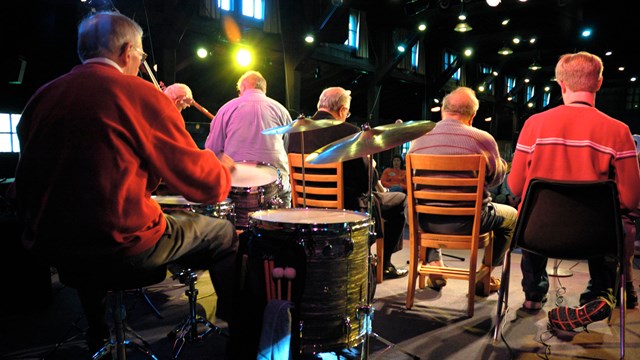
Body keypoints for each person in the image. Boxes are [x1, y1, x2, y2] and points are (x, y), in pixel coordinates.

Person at [12, 11, 239, 356]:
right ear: (127, 51)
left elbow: (32, 182)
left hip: (55, 248)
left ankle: (99, 334)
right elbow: (204, 186)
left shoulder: (40, 99)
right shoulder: (141, 95)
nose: (140, 62)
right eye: (142, 56)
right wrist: (221, 167)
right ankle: (242, 334)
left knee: (88, 228)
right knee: (222, 232)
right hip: (123, 245)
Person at [508, 51, 640, 330]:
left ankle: (533, 294)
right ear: (600, 83)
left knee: (529, 211)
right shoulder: (619, 131)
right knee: (614, 218)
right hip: (596, 238)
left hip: (536, 234)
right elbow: (631, 199)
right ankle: (600, 294)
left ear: (560, 83)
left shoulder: (533, 125)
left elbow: (515, 187)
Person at [288, 86, 408, 279]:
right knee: (399, 199)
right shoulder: (350, 132)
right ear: (342, 110)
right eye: (347, 112)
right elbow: (367, 182)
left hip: (306, 205)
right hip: (346, 208)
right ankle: (385, 265)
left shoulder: (296, 132)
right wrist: (371, 162)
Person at [408, 86, 517, 294]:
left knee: (423, 205)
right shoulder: (481, 139)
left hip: (424, 221)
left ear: (442, 110)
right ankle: (485, 275)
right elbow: (495, 180)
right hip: (469, 222)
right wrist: (501, 164)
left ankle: (434, 263)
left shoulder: (418, 138)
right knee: (512, 216)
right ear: (472, 116)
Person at [204, 70, 293, 207]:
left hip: (237, 188)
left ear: (243, 87)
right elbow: (287, 148)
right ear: (263, 88)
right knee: (285, 186)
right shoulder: (281, 110)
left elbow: (212, 149)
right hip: (275, 186)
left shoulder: (226, 108)